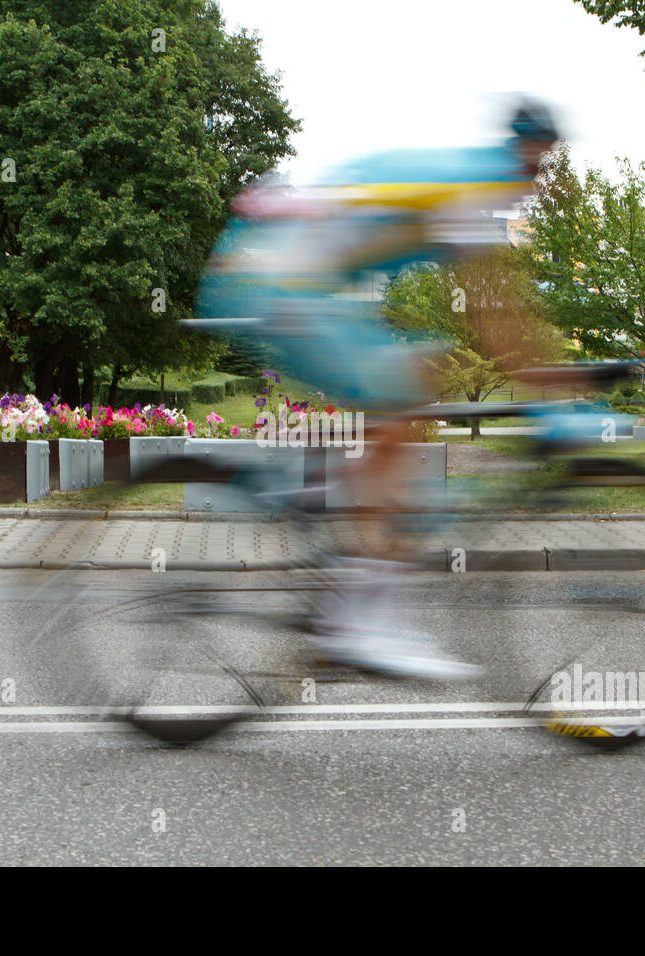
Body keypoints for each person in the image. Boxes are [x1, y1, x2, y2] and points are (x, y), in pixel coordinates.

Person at [193, 97, 562, 680]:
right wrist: (556, 381)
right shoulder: (473, 188)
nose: (535, 184)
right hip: (279, 288)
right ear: (523, 155)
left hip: (286, 281)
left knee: (419, 378)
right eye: (538, 167)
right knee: (398, 404)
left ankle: (318, 512)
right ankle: (357, 623)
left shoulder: (461, 177)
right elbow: (498, 319)